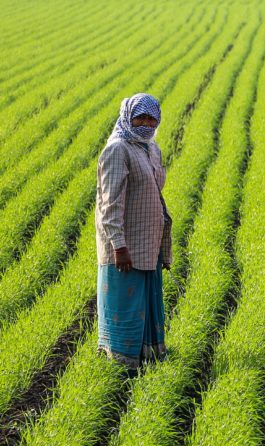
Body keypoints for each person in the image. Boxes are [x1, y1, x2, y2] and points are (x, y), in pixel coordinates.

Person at [95, 93, 172, 371]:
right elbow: (109, 204)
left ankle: (146, 361)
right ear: (128, 117)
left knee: (145, 302)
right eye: (140, 117)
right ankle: (120, 366)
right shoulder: (118, 149)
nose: (146, 123)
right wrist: (119, 246)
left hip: (147, 242)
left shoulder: (151, 148)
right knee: (125, 306)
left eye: (152, 118)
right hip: (125, 246)